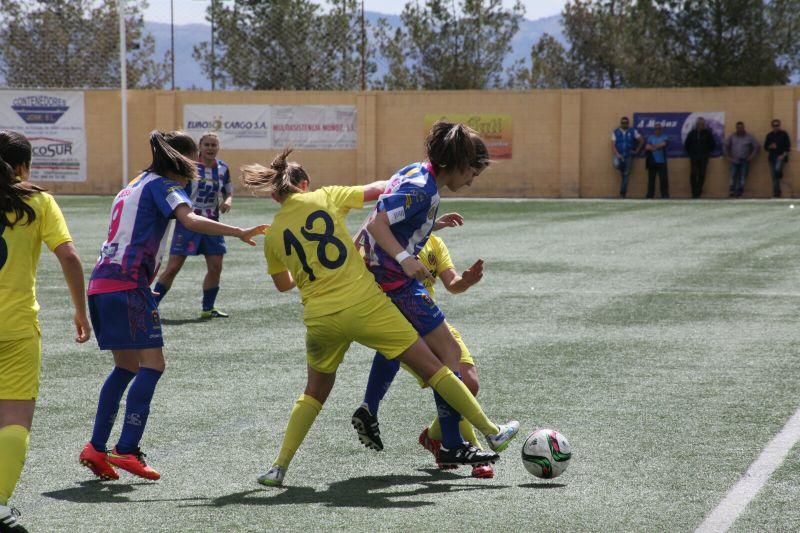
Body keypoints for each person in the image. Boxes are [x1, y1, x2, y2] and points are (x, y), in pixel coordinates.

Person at [242, 148, 518, 487]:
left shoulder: (272, 236)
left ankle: (278, 468)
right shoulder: (325, 197)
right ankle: (490, 432)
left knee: (313, 392)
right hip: (364, 305)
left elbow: (284, 285)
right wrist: (412, 190)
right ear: (305, 185)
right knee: (436, 365)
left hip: (320, 320)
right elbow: (379, 190)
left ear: (273, 194)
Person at [78, 131, 266, 482]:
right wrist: (239, 231)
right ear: (182, 159)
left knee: (125, 367)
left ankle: (96, 447)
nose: (197, 165)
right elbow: (190, 220)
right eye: (194, 158)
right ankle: (127, 449)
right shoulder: (165, 185)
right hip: (128, 284)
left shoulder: (133, 183)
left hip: (101, 282)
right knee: (153, 364)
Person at [350, 122, 519, 468]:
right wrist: (405, 260)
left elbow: (392, 217)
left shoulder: (419, 175)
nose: (472, 180)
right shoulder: (422, 188)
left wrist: (431, 226)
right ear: (457, 162)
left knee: (421, 350)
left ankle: (447, 439)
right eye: (472, 172)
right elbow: (376, 224)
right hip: (393, 280)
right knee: (448, 353)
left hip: (380, 274)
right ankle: (458, 442)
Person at [0, 130, 91, 533]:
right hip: (17, 327)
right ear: (22, 167)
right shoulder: (37, 201)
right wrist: (80, 311)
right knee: (15, 419)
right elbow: (69, 256)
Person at [367, 232, 494, 479]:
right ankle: (475, 451)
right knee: (453, 385)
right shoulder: (386, 245)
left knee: (470, 384)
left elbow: (452, 283)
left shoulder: (435, 242)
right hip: (404, 334)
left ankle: (434, 436)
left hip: (436, 326)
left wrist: (466, 281)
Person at [153, 132, 234, 317]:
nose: (210, 148)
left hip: (212, 223)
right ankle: (151, 304)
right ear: (200, 147)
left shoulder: (222, 168)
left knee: (215, 267)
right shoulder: (189, 168)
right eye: (207, 145)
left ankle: (208, 308)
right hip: (188, 223)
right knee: (173, 268)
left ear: (218, 148)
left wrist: (228, 200)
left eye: (214, 145)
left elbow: (228, 190)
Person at [724, 121, 760, 198]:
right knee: (733, 176)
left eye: (741, 127)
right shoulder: (732, 137)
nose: (739, 129)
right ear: (736, 128)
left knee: (743, 176)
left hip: (744, 160)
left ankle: (740, 191)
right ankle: (732, 191)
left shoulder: (749, 137)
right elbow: (725, 146)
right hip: (734, 160)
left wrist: (751, 156)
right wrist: (728, 157)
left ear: (744, 128)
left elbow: (756, 146)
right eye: (738, 128)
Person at [684, 117, 717, 198]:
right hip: (694, 157)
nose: (701, 125)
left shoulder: (707, 133)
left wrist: (706, 152)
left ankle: (698, 192)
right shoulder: (692, 133)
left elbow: (712, 145)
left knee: (702, 174)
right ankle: (694, 192)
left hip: (703, 158)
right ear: (696, 124)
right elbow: (686, 145)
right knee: (693, 174)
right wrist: (691, 153)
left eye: (702, 124)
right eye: (699, 124)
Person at [611, 116, 643, 198]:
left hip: (628, 155)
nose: (624, 124)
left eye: (626, 123)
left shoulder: (632, 131)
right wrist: (617, 154)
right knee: (616, 165)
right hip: (619, 155)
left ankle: (622, 193)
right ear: (620, 123)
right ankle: (622, 167)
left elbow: (641, 140)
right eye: (623, 122)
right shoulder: (615, 132)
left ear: (628, 123)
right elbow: (613, 145)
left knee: (626, 174)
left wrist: (636, 151)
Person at [764, 119, 791, 198]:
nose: (776, 127)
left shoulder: (784, 134)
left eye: (777, 125)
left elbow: (787, 146)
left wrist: (783, 155)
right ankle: (776, 192)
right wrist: (770, 146)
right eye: (774, 126)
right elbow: (765, 147)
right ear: (772, 126)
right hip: (772, 157)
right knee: (774, 176)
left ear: (779, 125)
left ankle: (779, 174)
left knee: (777, 170)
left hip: (781, 156)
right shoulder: (769, 135)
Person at [645, 122, 670, 199]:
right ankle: (650, 195)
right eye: (656, 129)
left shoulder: (664, 136)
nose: (658, 130)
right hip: (652, 162)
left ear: (661, 129)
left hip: (662, 162)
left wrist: (653, 147)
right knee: (651, 180)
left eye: (659, 129)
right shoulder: (650, 138)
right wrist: (656, 147)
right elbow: (647, 147)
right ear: (654, 130)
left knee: (663, 180)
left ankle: (665, 195)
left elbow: (663, 144)